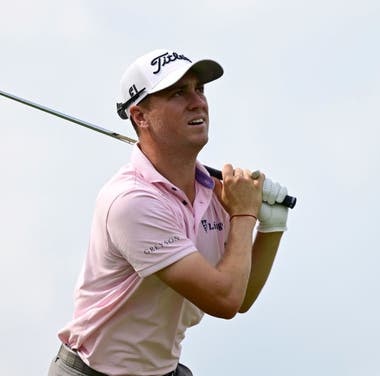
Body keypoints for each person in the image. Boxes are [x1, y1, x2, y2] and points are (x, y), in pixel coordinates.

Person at [48, 49, 290, 376]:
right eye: (178, 93)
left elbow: (241, 292)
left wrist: (272, 226)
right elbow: (225, 299)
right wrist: (245, 215)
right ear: (140, 116)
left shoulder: (217, 195)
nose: (197, 102)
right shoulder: (131, 201)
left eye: (199, 89)